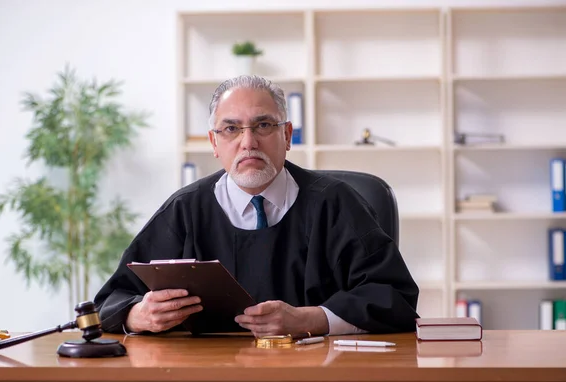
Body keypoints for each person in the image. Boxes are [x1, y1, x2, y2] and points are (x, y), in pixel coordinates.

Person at [94, 75, 419, 337]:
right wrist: (139, 315)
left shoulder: (336, 204)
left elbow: (395, 298)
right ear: (214, 143)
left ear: (288, 136)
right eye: (231, 128)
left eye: (263, 126)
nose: (248, 142)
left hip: (317, 379)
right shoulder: (185, 211)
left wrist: (311, 319)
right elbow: (112, 301)